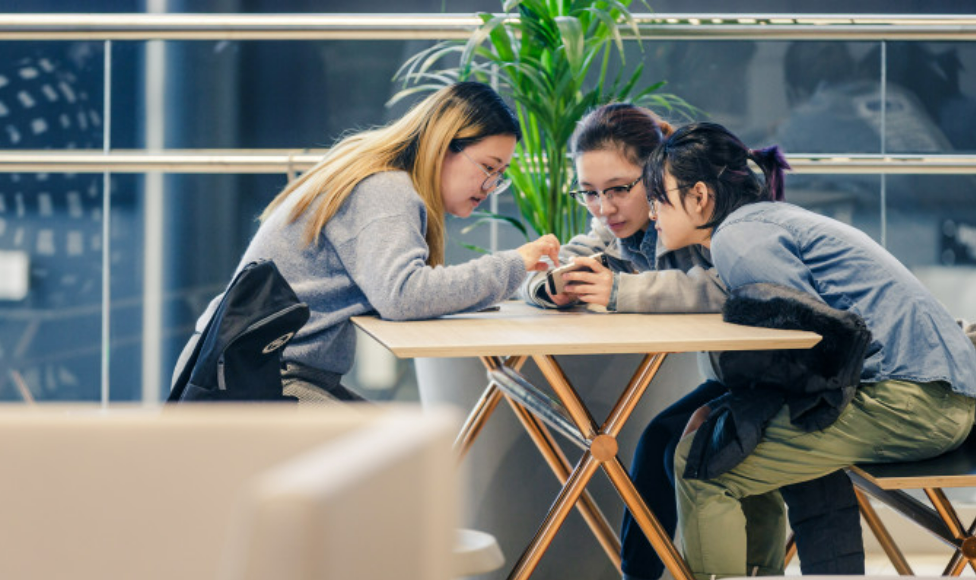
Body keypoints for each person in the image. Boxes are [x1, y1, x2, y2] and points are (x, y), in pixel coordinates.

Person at [644, 121, 976, 580]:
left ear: (699, 196)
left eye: (657, 199)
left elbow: (805, 344)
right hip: (943, 394)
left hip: (910, 403)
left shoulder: (737, 238)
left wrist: (726, 412)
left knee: (701, 466)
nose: (652, 214)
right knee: (730, 445)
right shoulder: (767, 221)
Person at [178, 82, 560, 403]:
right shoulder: (386, 188)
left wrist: (514, 282)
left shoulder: (380, 177)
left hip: (249, 369)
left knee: (407, 449)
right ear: (444, 145)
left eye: (500, 174)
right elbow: (403, 296)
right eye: (489, 167)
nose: (491, 186)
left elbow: (403, 293)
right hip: (257, 380)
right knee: (404, 455)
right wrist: (513, 264)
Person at [517, 103, 728, 580]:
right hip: (730, 378)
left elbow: (727, 287)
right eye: (589, 193)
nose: (604, 208)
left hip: (786, 377)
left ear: (657, 172)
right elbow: (549, 268)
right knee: (656, 445)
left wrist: (622, 291)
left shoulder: (705, 209)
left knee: (665, 446)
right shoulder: (616, 227)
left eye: (617, 189)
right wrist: (551, 286)